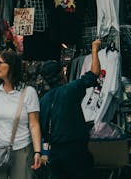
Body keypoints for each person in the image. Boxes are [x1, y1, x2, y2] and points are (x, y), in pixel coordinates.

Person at [39, 39, 102, 179]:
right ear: (62, 73)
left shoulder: (43, 101)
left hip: (55, 153)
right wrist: (94, 49)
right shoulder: (70, 89)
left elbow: (42, 129)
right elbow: (94, 73)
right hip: (76, 151)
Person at [0, 50, 43, 179]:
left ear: (12, 66)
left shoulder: (28, 92)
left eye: (0, 63)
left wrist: (37, 151)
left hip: (21, 149)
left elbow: (34, 124)